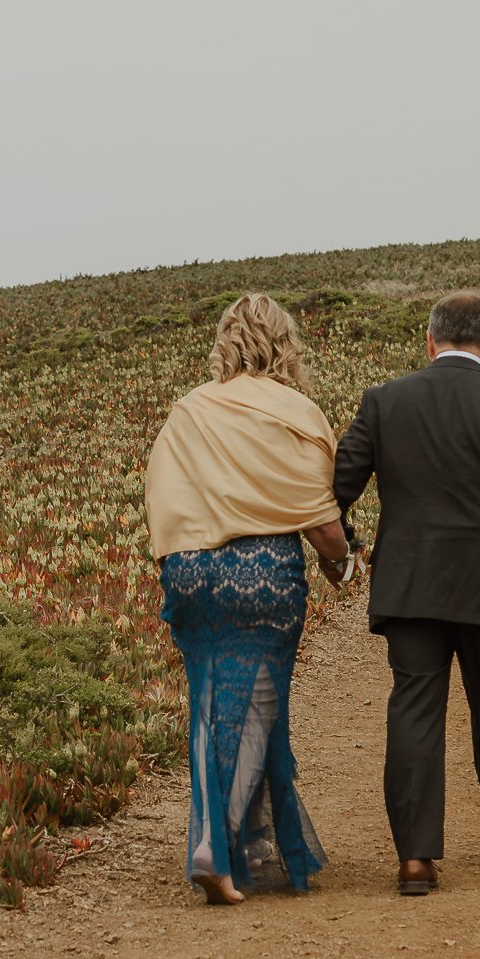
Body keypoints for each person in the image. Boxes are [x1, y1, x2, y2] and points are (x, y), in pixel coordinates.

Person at [332, 291, 480, 898]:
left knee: (414, 706)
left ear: (429, 341)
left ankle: (415, 858)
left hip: (408, 580)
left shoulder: (384, 402)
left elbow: (339, 484)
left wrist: (343, 548)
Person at [144, 294, 355, 905]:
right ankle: (218, 844)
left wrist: (176, 565)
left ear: (224, 344)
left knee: (211, 701)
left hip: (189, 568)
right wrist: (340, 562)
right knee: (260, 705)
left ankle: (248, 842)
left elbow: (162, 494)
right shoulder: (297, 412)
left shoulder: (188, 411)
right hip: (261, 572)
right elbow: (319, 519)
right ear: (285, 343)